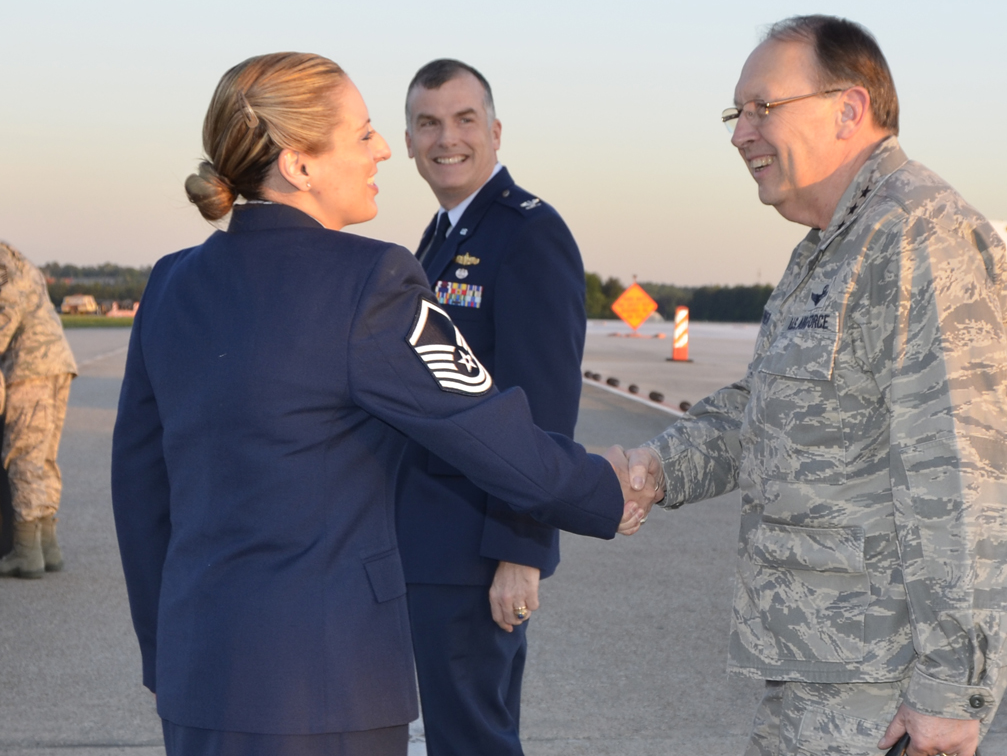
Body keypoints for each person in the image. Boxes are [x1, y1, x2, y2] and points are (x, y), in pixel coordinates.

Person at [111, 52, 651, 756]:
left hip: (199, 677)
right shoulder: (368, 280)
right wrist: (606, 488)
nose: (385, 150)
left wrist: (166, 652)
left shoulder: (171, 283)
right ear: (300, 165)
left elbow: (140, 489)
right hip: (325, 688)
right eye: (364, 133)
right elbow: (488, 430)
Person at [625, 15, 1007, 756]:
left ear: (848, 108)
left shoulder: (920, 235)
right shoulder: (832, 245)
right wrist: (654, 469)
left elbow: (965, 476)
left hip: (883, 687)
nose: (741, 133)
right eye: (735, 113)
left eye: (763, 107)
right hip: (819, 667)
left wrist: (951, 692)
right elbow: (766, 412)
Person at [395, 58, 586, 756]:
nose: (447, 138)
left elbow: (543, 410)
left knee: (472, 738)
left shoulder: (528, 234)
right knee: (451, 736)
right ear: (409, 141)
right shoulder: (443, 236)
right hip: (432, 542)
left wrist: (520, 553)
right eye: (428, 123)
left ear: (496, 131)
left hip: (476, 550)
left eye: (464, 120)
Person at [0, 241, 77, 579]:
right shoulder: (13, 256)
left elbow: (7, 309)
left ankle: (26, 552)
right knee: (42, 457)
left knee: (23, 457)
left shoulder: (1, 260)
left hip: (30, 366)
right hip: (53, 362)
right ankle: (47, 545)